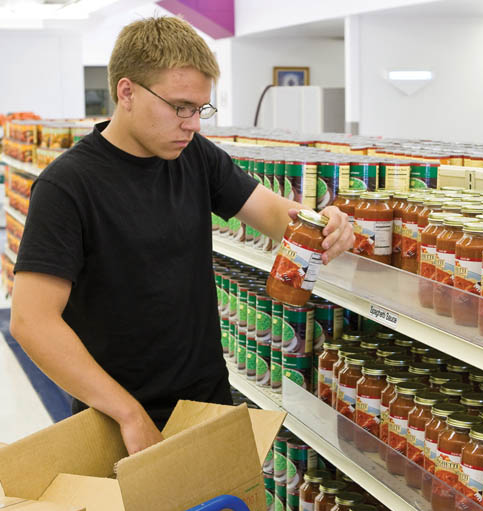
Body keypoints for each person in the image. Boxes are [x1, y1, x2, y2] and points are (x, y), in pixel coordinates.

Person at [9, 16, 353, 455]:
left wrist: (322, 222)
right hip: (115, 419)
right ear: (127, 91)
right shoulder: (67, 186)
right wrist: (128, 413)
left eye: (201, 109)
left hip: (206, 402)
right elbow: (32, 321)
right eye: (180, 106)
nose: (192, 123)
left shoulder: (195, 159)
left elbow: (271, 212)